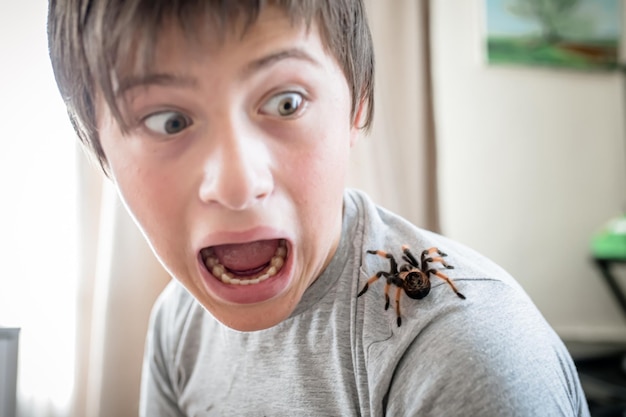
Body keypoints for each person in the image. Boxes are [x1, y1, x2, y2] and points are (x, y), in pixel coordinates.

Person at [47, 0, 590, 415]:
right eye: (169, 121)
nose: (238, 187)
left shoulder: (466, 351)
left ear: (358, 106)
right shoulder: (177, 323)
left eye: (286, 102)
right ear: (99, 148)